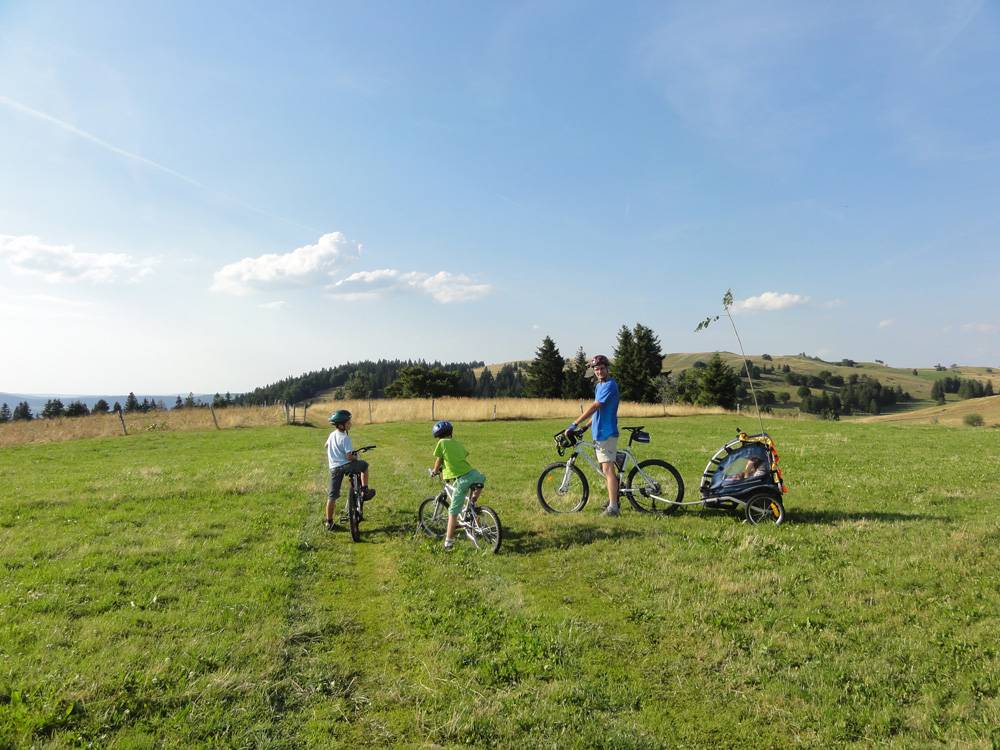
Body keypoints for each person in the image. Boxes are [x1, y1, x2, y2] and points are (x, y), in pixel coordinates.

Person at [564, 354, 621, 516]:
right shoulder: (599, 386)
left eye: (602, 369)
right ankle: (614, 498)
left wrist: (574, 423)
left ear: (607, 369)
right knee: (605, 469)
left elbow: (596, 406)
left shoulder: (610, 385)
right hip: (599, 432)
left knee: (608, 470)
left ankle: (613, 508)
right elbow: (599, 412)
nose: (599, 372)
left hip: (607, 433)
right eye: (596, 369)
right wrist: (586, 426)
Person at [430, 420, 486, 551]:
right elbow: (460, 457)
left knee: (453, 512)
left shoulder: (441, 443)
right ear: (451, 433)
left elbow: (439, 459)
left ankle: (448, 542)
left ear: (438, 436)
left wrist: (434, 471)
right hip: (475, 474)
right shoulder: (456, 443)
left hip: (463, 479)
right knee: (472, 505)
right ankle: (474, 513)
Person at [324, 409, 375, 531]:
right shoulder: (345, 438)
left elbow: (326, 445)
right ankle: (364, 490)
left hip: (334, 468)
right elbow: (349, 456)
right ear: (342, 425)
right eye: (348, 422)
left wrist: (334, 451)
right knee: (364, 466)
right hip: (346, 465)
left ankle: (329, 522)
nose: (350, 424)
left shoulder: (332, 435)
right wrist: (355, 456)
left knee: (332, 496)